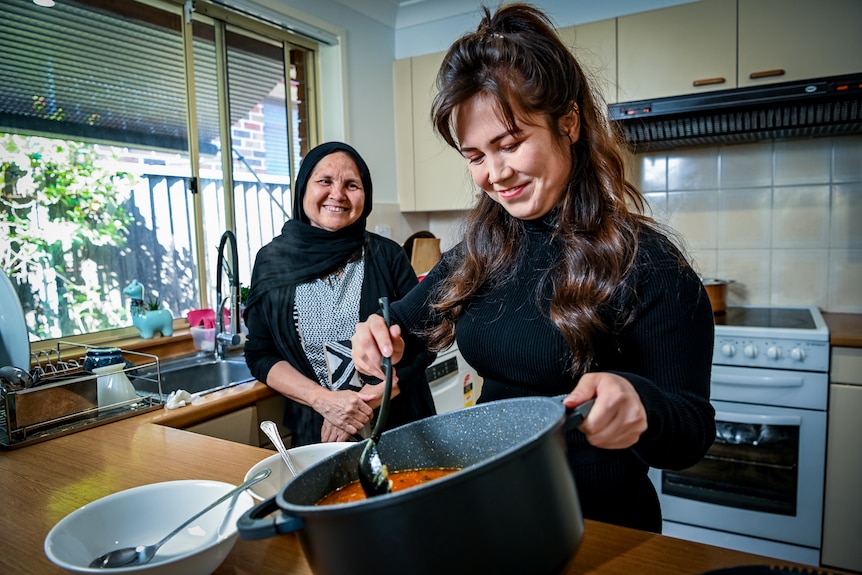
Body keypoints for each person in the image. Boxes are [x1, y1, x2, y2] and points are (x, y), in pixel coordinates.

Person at [351, 4, 715, 533]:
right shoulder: (480, 250)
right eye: (475, 155)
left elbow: (692, 432)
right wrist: (382, 337)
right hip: (492, 511)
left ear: (568, 123)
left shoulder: (650, 265)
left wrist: (644, 405)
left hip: (602, 529)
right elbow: (403, 327)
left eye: (511, 143)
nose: (495, 174)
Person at [244, 141, 436, 447]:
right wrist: (325, 402)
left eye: (351, 185)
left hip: (399, 424)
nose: (338, 194)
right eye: (324, 181)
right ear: (303, 188)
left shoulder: (386, 256)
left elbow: (426, 338)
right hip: (318, 432)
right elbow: (260, 354)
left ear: (366, 196)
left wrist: (365, 403)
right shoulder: (271, 262)